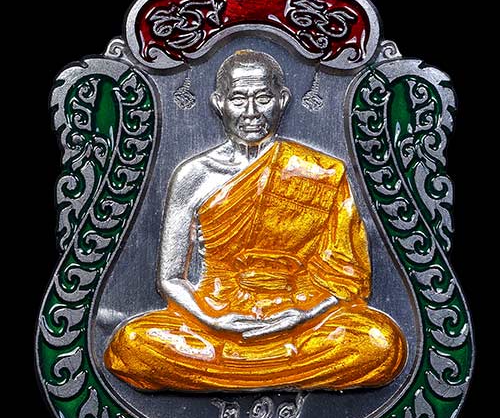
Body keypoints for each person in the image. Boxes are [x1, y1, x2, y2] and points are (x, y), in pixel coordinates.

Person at [104, 50, 407, 391]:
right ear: (219, 103)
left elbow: (347, 278)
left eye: (263, 98)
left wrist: (304, 315)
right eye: (238, 99)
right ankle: (274, 374)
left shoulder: (320, 172)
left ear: (282, 101)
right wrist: (214, 320)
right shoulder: (194, 175)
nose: (251, 112)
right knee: (133, 344)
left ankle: (233, 375)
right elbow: (171, 278)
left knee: (380, 343)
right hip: (216, 318)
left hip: (298, 317)